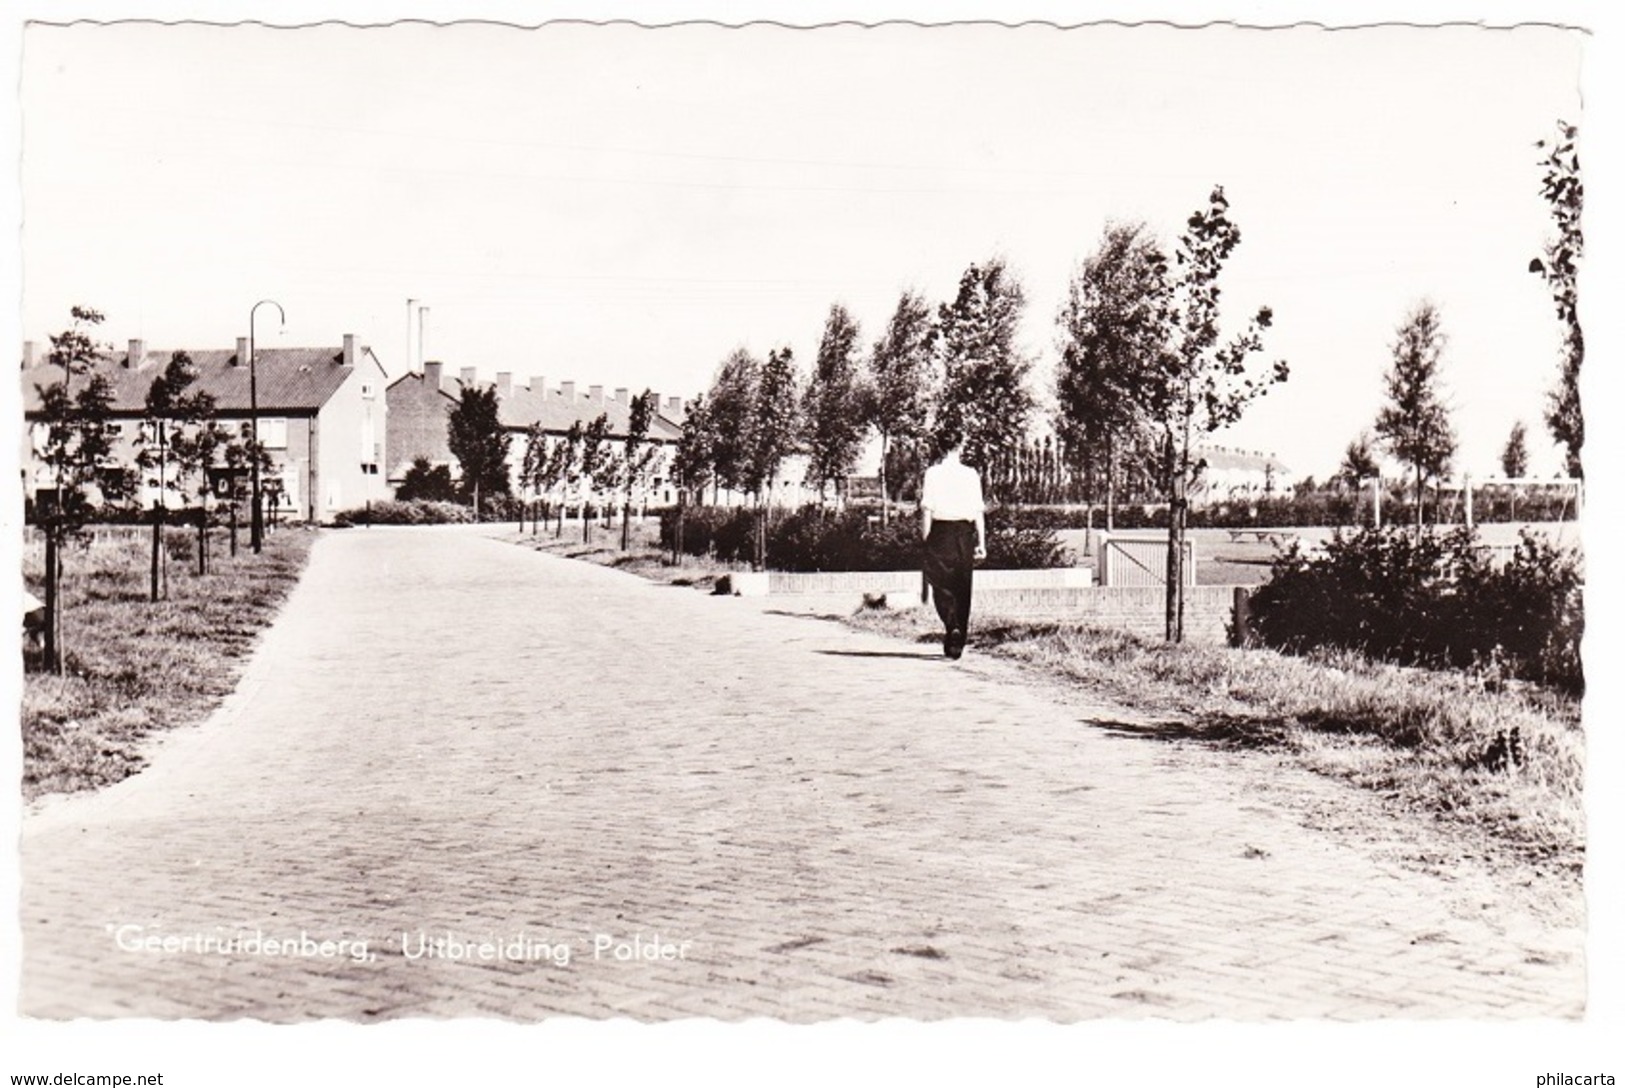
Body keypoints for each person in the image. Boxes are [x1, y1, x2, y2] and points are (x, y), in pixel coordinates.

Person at [919, 437, 986, 659]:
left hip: (940, 532)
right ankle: (958, 641)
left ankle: (951, 624)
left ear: (939, 447)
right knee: (963, 586)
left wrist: (926, 540)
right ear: (961, 446)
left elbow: (927, 510)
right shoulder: (971, 474)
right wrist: (982, 543)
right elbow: (978, 510)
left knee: (940, 584)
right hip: (964, 533)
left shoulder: (932, 473)